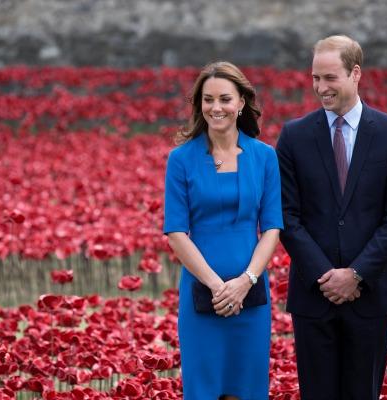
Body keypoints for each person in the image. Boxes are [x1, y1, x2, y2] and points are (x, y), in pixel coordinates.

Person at [276, 35, 387, 399]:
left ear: (356, 73)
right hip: (313, 293)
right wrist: (326, 276)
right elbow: (287, 215)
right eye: (315, 78)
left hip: (370, 292)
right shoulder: (294, 136)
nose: (321, 88)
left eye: (330, 78)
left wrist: (355, 275)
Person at [163, 61, 283, 399]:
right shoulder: (181, 159)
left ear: (242, 102)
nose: (216, 108)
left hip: (252, 292)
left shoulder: (264, 157)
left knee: (247, 389)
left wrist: (246, 281)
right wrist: (218, 287)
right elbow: (175, 231)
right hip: (203, 292)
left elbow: (272, 227)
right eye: (208, 99)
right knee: (204, 389)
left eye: (225, 99)